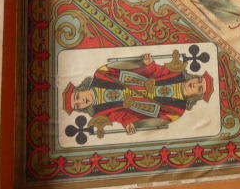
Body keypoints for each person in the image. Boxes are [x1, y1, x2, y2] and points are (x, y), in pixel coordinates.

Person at [62, 53, 213, 135]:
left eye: (199, 88)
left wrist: (146, 67)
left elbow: (152, 119)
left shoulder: (177, 110)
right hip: (134, 97)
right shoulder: (98, 112)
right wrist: (129, 123)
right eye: (78, 105)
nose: (82, 101)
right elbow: (119, 115)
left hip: (142, 90)